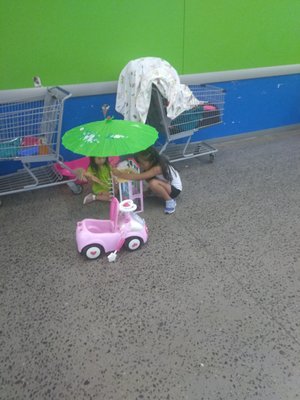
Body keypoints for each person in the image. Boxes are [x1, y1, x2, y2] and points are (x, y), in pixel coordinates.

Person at [112, 147, 182, 214]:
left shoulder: (157, 168)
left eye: (142, 163)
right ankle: (151, 192)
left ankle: (169, 201)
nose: (140, 165)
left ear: (151, 161)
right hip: (168, 185)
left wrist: (120, 174)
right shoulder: (154, 163)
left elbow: (139, 177)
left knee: (153, 183)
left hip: (175, 190)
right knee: (148, 177)